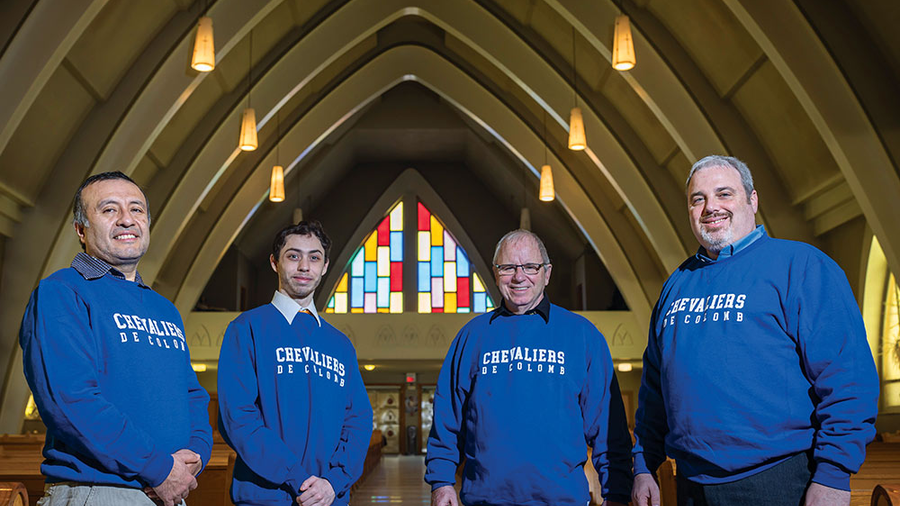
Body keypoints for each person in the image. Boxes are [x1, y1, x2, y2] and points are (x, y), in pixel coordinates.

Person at [631, 155, 879, 506]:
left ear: (752, 200)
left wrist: (833, 474)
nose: (710, 207)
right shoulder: (677, 285)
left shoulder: (802, 266)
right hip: (691, 483)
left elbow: (847, 378)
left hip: (778, 479)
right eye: (697, 199)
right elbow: (655, 389)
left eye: (724, 194)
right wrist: (644, 465)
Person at [19, 172, 213, 506]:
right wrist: (158, 467)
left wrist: (194, 457)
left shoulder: (164, 309)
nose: (127, 220)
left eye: (137, 210)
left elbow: (192, 395)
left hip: (172, 488)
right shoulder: (62, 292)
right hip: (101, 492)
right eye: (109, 210)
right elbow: (71, 401)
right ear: (81, 230)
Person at [425, 230, 633, 506]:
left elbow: (608, 427)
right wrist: (441, 482)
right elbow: (447, 418)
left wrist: (616, 492)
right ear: (496, 273)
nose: (519, 276)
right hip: (485, 500)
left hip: (562, 501)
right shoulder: (472, 337)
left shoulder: (582, 336)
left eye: (530, 267)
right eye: (508, 267)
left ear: (547, 273)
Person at [217, 220, 373, 506]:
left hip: (330, 498)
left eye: (314, 257)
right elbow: (238, 417)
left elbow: (359, 420)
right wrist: (297, 478)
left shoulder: (340, 344)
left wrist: (332, 482)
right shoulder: (247, 328)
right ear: (275, 263)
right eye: (293, 256)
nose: (304, 266)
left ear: (325, 266)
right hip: (266, 497)